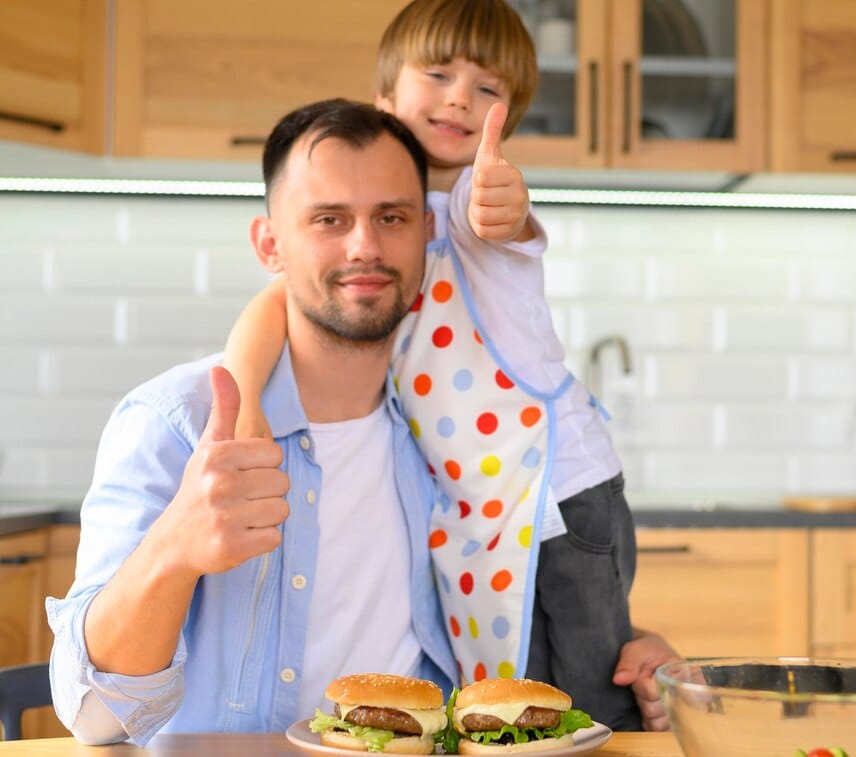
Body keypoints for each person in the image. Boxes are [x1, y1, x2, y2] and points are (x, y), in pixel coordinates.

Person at [221, 0, 678, 733]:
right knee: (517, 711)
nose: (462, 97)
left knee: (598, 699)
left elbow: (498, 214)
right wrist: (242, 418)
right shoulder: (387, 224)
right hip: (481, 509)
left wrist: (506, 199)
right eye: (438, 73)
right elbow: (272, 304)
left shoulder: (470, 201)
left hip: (560, 489)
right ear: (385, 97)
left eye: (489, 89)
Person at [47, 101, 458, 746]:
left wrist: (631, 647)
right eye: (329, 219)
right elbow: (94, 719)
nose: (366, 246)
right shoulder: (176, 423)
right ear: (271, 244)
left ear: (426, 232)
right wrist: (175, 550)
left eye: (392, 217)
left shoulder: (444, 430)